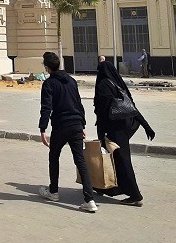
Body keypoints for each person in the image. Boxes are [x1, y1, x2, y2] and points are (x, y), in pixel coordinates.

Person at [38, 51, 97, 213]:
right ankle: (89, 199)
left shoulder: (49, 84)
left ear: (47, 67)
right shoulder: (71, 81)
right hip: (76, 125)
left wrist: (43, 129)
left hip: (61, 127)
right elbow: (78, 103)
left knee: (54, 157)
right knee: (80, 161)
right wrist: (82, 125)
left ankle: (54, 191)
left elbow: (46, 108)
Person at [94, 60, 156, 206]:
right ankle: (109, 189)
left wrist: (101, 134)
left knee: (122, 162)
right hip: (123, 129)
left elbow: (103, 113)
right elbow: (131, 107)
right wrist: (146, 126)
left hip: (113, 130)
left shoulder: (103, 85)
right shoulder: (117, 83)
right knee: (117, 161)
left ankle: (135, 195)